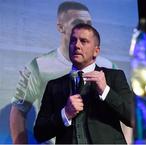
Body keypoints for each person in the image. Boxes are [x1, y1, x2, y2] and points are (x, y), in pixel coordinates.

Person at [9, 1, 118, 144]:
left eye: (88, 22)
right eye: (77, 22)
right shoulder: (40, 66)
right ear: (61, 27)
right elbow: (19, 110)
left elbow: (123, 112)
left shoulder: (109, 67)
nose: (84, 26)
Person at [34, 23, 133, 144]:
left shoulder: (114, 77)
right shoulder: (54, 86)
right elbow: (39, 133)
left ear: (96, 51)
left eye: (84, 41)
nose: (76, 45)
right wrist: (65, 113)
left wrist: (106, 91)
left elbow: (133, 119)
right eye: (73, 41)